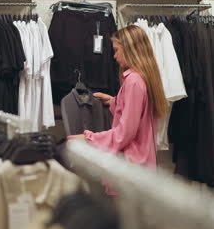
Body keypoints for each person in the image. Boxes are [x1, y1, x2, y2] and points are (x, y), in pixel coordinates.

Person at [67, 25, 168, 170]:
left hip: (131, 166)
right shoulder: (144, 77)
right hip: (141, 163)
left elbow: (124, 134)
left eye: (116, 50)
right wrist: (114, 101)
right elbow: (138, 114)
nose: (114, 56)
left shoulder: (133, 81)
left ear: (130, 49)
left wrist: (87, 139)